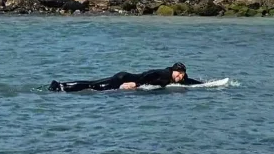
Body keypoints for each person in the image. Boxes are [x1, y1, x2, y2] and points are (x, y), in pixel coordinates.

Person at [49, 62, 203, 93]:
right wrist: (135, 84)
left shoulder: (179, 78)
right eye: (178, 73)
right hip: (124, 78)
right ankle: (61, 86)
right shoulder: (164, 73)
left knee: (93, 84)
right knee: (94, 87)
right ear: (173, 70)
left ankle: (62, 86)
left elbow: (189, 81)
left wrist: (205, 84)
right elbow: (148, 74)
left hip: (125, 76)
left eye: (182, 74)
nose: (180, 76)